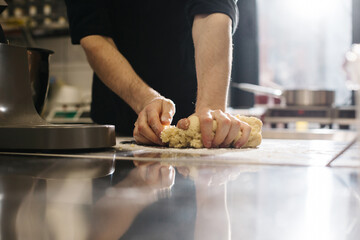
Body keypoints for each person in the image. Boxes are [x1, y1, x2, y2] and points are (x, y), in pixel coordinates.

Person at [65, 0, 251, 148]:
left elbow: (212, 11)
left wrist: (210, 109)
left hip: (192, 106)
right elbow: (93, 35)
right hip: (117, 126)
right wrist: (144, 100)